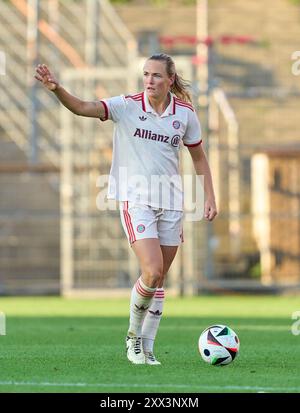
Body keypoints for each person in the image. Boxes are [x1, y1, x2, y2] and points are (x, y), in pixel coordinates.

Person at [35, 53, 217, 366]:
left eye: (157, 75)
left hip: (172, 203)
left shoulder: (185, 113)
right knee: (152, 271)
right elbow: (82, 107)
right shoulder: (127, 105)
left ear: (170, 79)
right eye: (146, 74)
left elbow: (198, 157)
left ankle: (147, 349)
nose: (149, 80)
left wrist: (209, 196)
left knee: (159, 281)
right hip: (137, 200)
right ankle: (132, 338)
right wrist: (56, 89)